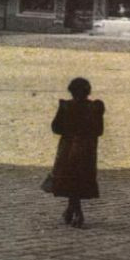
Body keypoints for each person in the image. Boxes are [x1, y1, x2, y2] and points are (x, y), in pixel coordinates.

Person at [48, 76, 104, 228]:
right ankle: (74, 211)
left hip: (68, 147)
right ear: (88, 92)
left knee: (70, 178)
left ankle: (74, 211)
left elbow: (55, 128)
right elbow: (99, 130)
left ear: (71, 92)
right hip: (86, 148)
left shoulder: (66, 106)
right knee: (78, 178)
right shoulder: (95, 107)